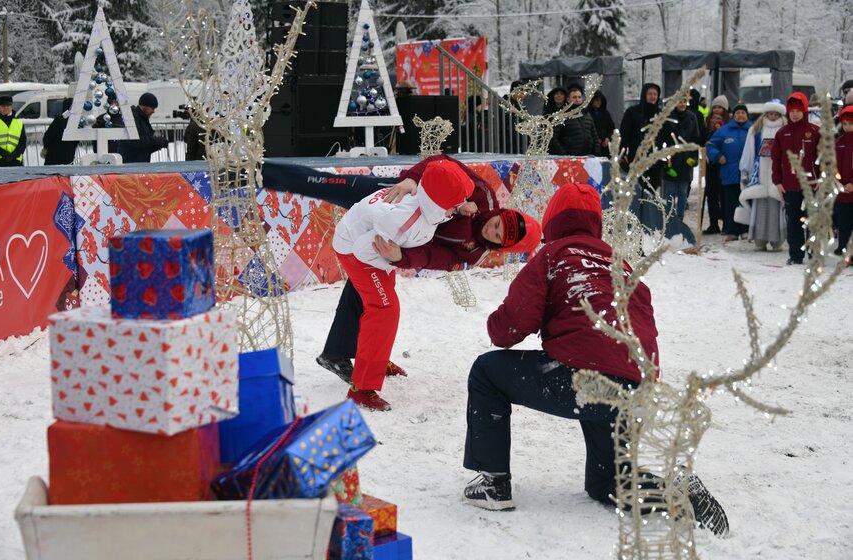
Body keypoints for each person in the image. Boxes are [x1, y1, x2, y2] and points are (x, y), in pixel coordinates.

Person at [460, 182, 729, 536]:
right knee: (609, 482)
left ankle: (493, 482)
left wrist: (502, 320)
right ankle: (676, 494)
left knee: (486, 372)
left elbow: (507, 329)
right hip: (634, 386)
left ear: (552, 220)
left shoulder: (553, 255)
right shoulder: (622, 264)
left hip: (582, 376)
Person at [304, 154, 541, 386]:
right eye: (497, 223)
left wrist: (402, 257)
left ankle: (358, 356)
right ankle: (277, 174)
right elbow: (442, 164)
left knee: (372, 294)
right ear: (501, 212)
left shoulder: (475, 253)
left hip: (399, 240)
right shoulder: (484, 195)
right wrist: (412, 178)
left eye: (497, 236)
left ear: (501, 246)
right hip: (401, 197)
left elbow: (433, 258)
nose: (492, 230)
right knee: (330, 187)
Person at [331, 159, 474, 411]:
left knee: (384, 306)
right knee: (384, 309)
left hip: (372, 248)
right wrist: (393, 260)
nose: (457, 209)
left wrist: (393, 259)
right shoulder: (403, 220)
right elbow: (362, 249)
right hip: (356, 250)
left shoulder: (425, 205)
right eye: (454, 205)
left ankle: (376, 360)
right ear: (438, 202)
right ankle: (361, 389)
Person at [771, 92, 820, 265]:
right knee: (794, 222)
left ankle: (814, 255)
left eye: (799, 111)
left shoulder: (815, 132)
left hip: (812, 186)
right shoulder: (782, 133)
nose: (795, 114)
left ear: (805, 111)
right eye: (792, 111)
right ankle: (795, 255)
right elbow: (776, 159)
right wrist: (777, 181)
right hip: (790, 186)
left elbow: (825, 158)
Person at [736, 100, 787, 251]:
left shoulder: (785, 130)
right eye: (770, 114)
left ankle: (777, 240)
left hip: (778, 175)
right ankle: (759, 239)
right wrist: (745, 171)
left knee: (777, 209)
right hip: (758, 176)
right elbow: (748, 152)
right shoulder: (756, 130)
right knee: (760, 209)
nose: (772, 117)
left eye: (775, 114)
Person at [707, 103, 751, 240]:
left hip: (747, 174)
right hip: (729, 173)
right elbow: (710, 145)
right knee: (730, 203)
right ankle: (731, 230)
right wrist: (718, 156)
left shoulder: (753, 130)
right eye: (738, 113)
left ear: (747, 115)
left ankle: (745, 229)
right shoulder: (723, 131)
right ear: (733, 115)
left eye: (743, 113)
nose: (740, 115)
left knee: (746, 202)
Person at [661, 95, 701, 223]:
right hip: (671, 159)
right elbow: (662, 137)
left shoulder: (692, 117)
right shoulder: (668, 118)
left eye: (684, 101)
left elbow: (696, 138)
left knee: (683, 191)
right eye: (679, 101)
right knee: (670, 191)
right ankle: (669, 218)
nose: (682, 104)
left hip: (686, 158)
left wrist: (694, 157)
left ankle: (680, 219)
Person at [620, 83, 663, 189]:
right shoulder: (633, 112)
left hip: (654, 159)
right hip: (636, 156)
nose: (653, 97)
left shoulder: (660, 114)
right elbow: (624, 133)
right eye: (650, 94)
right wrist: (622, 151)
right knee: (636, 188)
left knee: (652, 189)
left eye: (655, 94)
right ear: (644, 95)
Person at [702, 95, 730, 234]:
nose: (717, 110)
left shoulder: (729, 123)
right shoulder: (707, 122)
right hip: (710, 163)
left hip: (724, 162)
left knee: (723, 194)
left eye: (720, 107)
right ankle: (713, 223)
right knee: (711, 194)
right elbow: (703, 140)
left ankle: (725, 221)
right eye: (715, 107)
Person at [548, 85, 600, 156]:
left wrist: (596, 152)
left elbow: (595, 136)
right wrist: (564, 154)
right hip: (570, 157)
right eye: (574, 97)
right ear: (568, 99)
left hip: (588, 157)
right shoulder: (562, 116)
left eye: (579, 97)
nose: (577, 99)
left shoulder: (587, 115)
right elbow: (553, 138)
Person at [117, 92, 168, 163]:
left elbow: (145, 144)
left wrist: (159, 143)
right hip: (131, 163)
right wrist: (156, 141)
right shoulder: (132, 118)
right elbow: (135, 140)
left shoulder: (142, 118)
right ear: (144, 106)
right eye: (152, 108)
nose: (153, 111)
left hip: (139, 162)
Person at [834, 105, 853, 260]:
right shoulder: (838, 142)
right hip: (841, 192)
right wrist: (837, 181)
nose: (847, 127)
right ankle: (845, 252)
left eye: (851, 123)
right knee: (843, 225)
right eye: (845, 123)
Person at [42, 99, 79, 165]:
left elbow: (48, 136)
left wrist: (45, 147)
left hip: (53, 156)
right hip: (68, 157)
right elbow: (76, 141)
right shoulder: (76, 122)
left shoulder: (59, 120)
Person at [0, 95, 27, 167]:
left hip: (15, 161)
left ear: (11, 106)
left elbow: (22, 142)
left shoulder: (19, 123)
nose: (6, 108)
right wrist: (4, 154)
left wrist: (14, 154)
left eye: (8, 105)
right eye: (3, 106)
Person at [588, 90, 615, 157]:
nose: (599, 102)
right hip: (592, 147)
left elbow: (611, 127)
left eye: (600, 100)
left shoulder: (605, 113)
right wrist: (595, 140)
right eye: (597, 100)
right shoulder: (587, 113)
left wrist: (608, 138)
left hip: (605, 146)